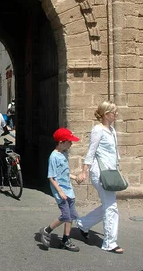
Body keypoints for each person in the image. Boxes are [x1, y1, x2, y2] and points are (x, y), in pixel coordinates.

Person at [76, 101, 125, 253]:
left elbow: (114, 153)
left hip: (111, 173)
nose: (116, 114)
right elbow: (91, 151)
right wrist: (84, 171)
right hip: (100, 172)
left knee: (108, 204)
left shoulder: (112, 130)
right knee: (111, 206)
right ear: (105, 114)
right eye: (113, 112)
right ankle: (110, 243)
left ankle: (83, 223)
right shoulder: (98, 130)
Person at [39, 128, 81, 252]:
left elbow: (65, 173)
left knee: (71, 215)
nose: (71, 144)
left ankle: (65, 240)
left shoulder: (64, 154)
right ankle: (46, 230)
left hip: (69, 189)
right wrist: (60, 192)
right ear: (61, 142)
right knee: (65, 215)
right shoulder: (53, 157)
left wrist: (75, 177)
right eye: (69, 141)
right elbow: (51, 177)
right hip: (60, 191)